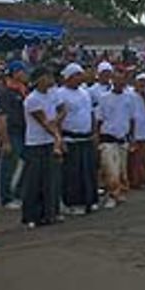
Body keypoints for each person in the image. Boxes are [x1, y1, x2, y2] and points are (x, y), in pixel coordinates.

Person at [20, 67, 64, 228]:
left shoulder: (53, 94)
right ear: (39, 79)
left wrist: (57, 120)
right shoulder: (32, 99)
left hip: (49, 140)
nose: (51, 79)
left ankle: (50, 213)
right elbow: (43, 122)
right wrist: (57, 137)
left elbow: (62, 109)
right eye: (47, 76)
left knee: (51, 179)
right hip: (35, 143)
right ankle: (31, 216)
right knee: (34, 181)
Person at [57, 63, 98, 215]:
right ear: (69, 77)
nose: (80, 78)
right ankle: (72, 203)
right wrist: (59, 139)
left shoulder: (85, 93)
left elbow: (91, 113)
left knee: (88, 172)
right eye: (77, 75)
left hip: (86, 137)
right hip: (70, 139)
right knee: (72, 174)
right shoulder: (60, 94)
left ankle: (90, 201)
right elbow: (57, 118)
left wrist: (94, 133)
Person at [96, 70, 135, 208]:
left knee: (121, 169)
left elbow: (131, 119)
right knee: (109, 168)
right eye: (116, 79)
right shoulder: (104, 97)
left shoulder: (130, 98)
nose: (119, 82)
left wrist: (132, 138)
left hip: (122, 138)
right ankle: (112, 195)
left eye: (122, 79)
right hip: (107, 138)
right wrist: (97, 138)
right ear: (112, 80)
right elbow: (99, 119)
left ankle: (120, 192)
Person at [0, 60, 28, 209]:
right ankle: (6, 198)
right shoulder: (6, 93)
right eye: (21, 71)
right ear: (14, 73)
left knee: (29, 162)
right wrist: (5, 140)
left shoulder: (23, 90)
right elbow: (2, 118)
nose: (24, 74)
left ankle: (19, 193)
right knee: (9, 166)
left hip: (24, 132)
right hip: (12, 132)